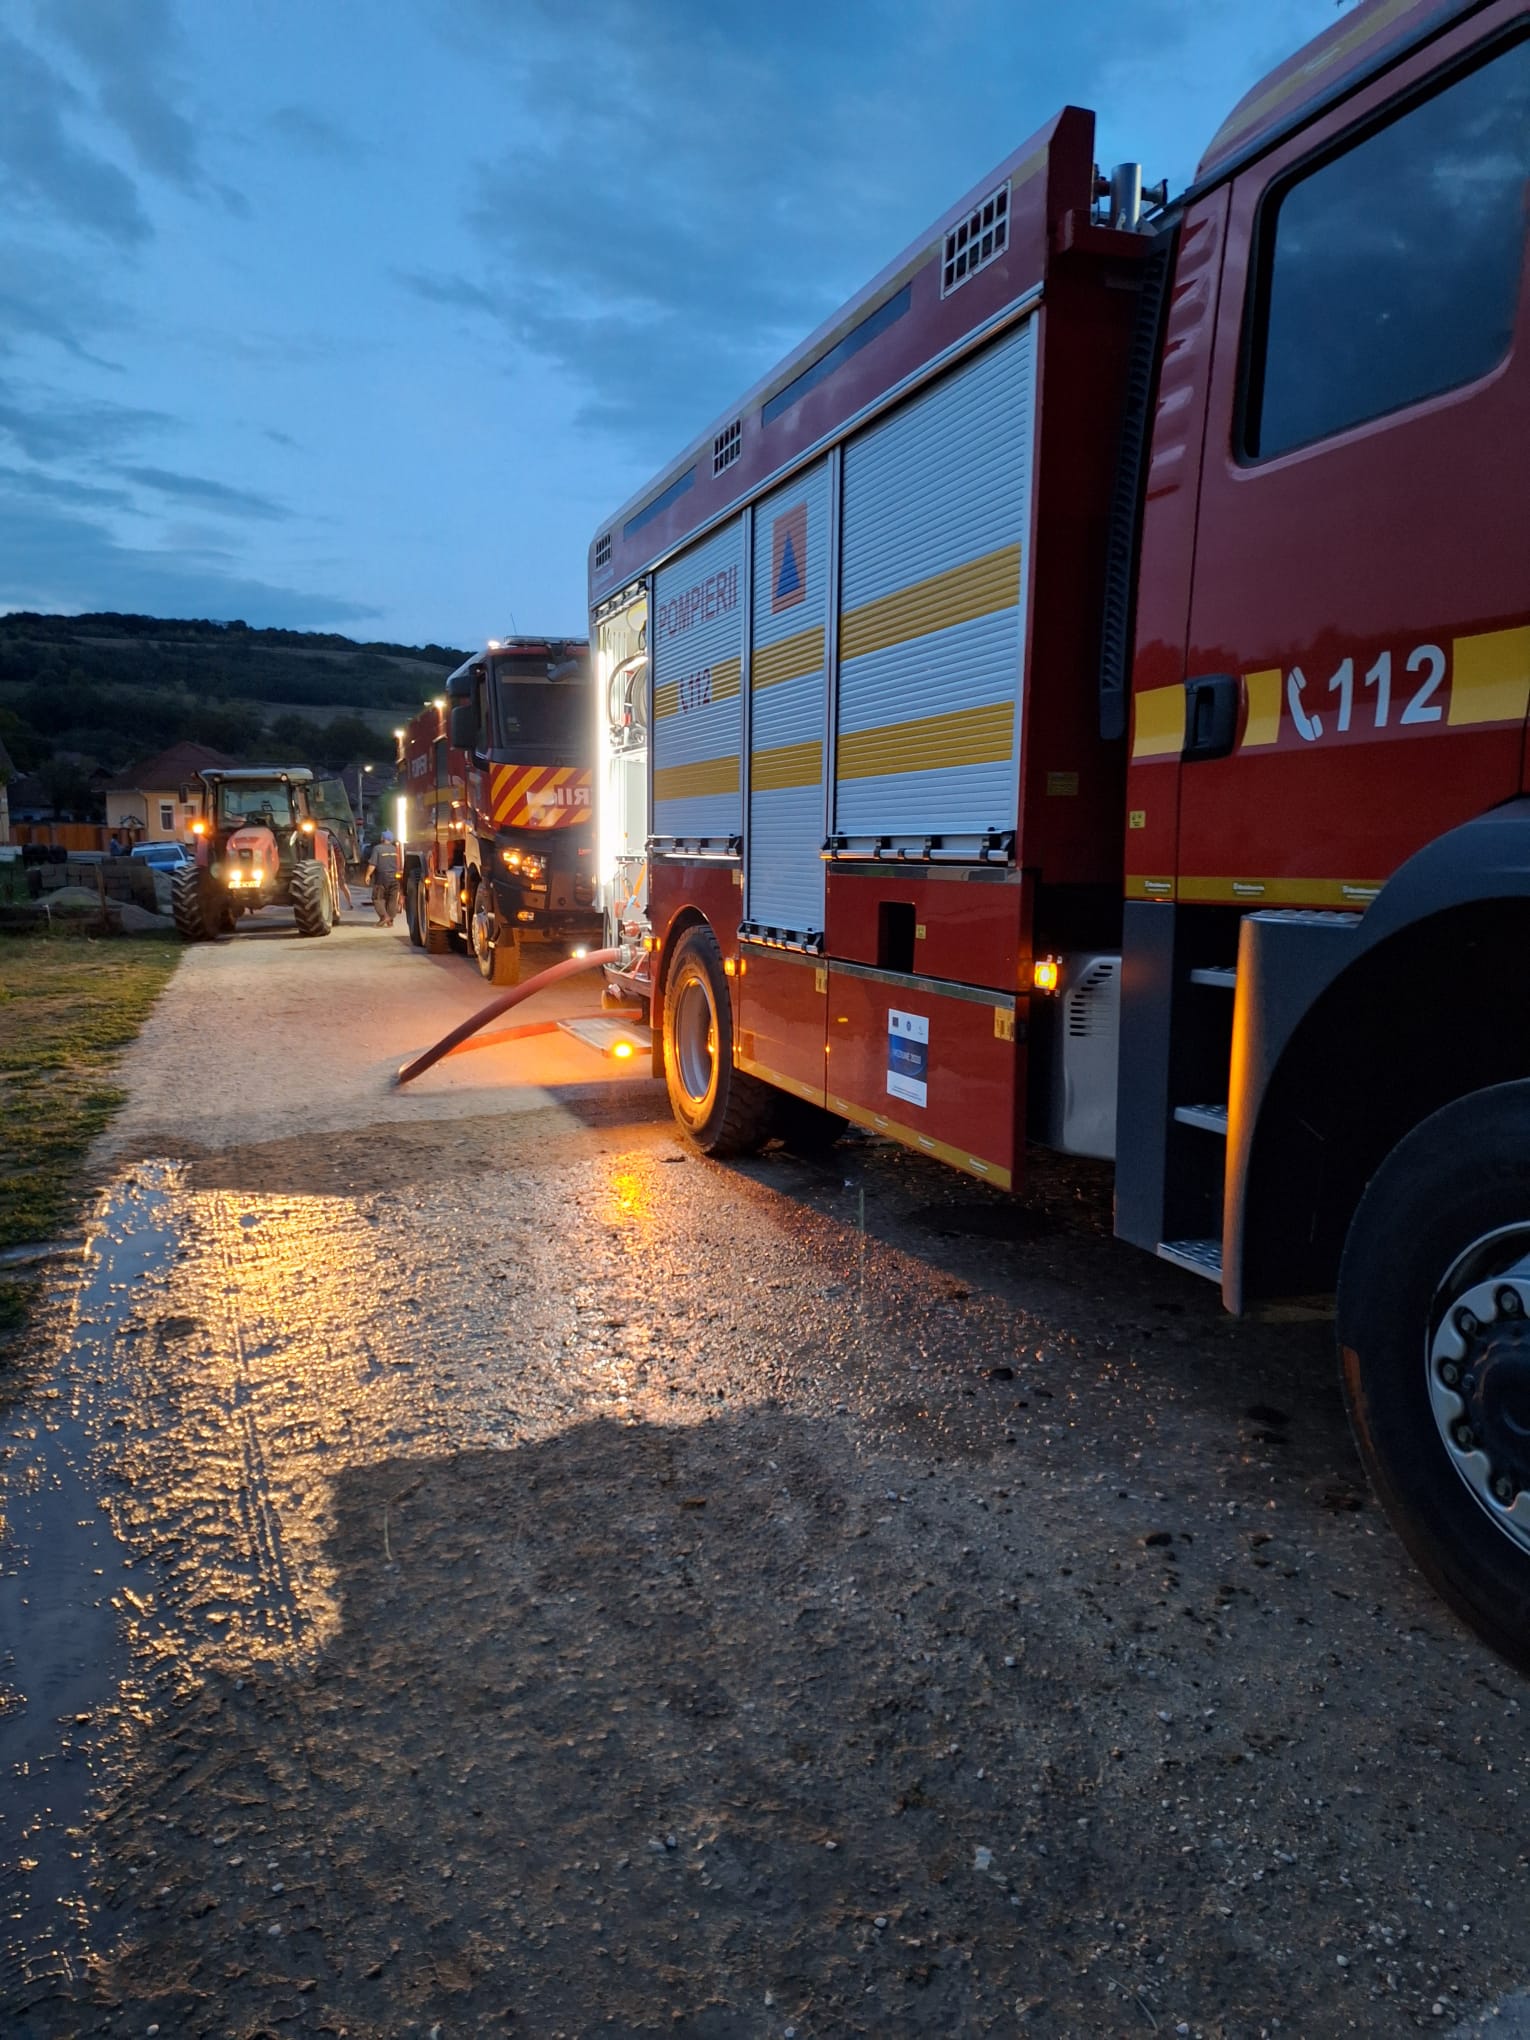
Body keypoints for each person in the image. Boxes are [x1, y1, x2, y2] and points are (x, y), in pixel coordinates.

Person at [366, 830, 403, 926]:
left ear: (382, 838)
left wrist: (368, 875)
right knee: (392, 899)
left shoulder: (377, 849)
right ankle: (390, 919)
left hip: (382, 878)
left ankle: (384, 917)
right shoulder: (396, 849)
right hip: (395, 878)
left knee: (377, 898)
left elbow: (373, 864)